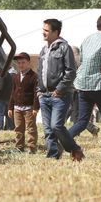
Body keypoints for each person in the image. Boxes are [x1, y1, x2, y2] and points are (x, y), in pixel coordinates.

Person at [71, 14, 101, 157]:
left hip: (82, 84)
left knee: (82, 121)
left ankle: (62, 138)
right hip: (98, 85)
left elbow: (82, 60)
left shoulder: (87, 39)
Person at [36, 18, 82, 161]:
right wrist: (39, 91)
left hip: (60, 95)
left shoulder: (64, 48)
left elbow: (71, 71)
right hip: (44, 95)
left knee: (56, 126)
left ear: (55, 32)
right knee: (48, 130)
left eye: (46, 30)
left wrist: (60, 89)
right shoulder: (44, 50)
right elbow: (40, 71)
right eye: (43, 29)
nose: (43, 33)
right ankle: (53, 155)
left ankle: (74, 149)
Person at [7, 52, 40, 153]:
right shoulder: (16, 76)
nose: (21, 65)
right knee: (18, 129)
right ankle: (19, 147)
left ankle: (31, 147)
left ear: (28, 63)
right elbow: (13, 92)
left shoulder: (34, 76)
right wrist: (10, 107)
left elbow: (36, 93)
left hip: (29, 107)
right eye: (19, 63)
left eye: (23, 62)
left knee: (31, 128)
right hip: (17, 107)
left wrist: (35, 107)